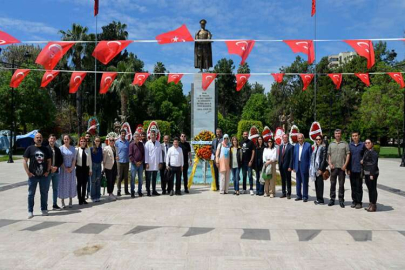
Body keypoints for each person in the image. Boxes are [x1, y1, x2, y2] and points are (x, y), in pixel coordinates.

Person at [23, 132, 52, 219]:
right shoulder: (30, 148)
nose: (39, 139)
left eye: (40, 137)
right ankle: (30, 211)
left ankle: (44, 209)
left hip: (44, 176)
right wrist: (28, 172)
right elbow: (25, 160)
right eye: (37, 137)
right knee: (31, 194)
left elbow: (49, 161)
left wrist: (47, 171)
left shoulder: (46, 149)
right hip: (33, 176)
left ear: (42, 139)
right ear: (34, 139)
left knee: (44, 193)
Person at [328, 129, 350, 208]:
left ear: (341, 134)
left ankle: (341, 200)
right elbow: (329, 155)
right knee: (332, 184)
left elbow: (348, 154)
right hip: (333, 168)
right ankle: (332, 199)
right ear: (334, 134)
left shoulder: (345, 144)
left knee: (341, 185)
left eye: (339, 133)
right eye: (336, 133)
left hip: (341, 168)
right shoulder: (331, 144)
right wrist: (330, 164)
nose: (337, 135)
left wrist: (345, 165)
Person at [58, 134, 77, 208]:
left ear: (70, 140)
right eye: (65, 139)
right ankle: (62, 201)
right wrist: (65, 168)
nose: (66, 140)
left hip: (71, 170)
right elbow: (60, 159)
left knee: (70, 184)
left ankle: (70, 201)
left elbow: (74, 159)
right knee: (63, 185)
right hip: (63, 170)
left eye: (67, 139)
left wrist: (71, 168)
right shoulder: (60, 148)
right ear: (63, 140)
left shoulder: (73, 149)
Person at [348, 131, 365, 209]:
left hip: (359, 169)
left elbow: (366, 154)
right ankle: (354, 201)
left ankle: (359, 202)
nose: (355, 137)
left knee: (359, 186)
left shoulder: (362, 145)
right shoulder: (350, 145)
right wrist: (348, 169)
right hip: (352, 169)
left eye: (356, 135)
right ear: (351, 137)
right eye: (353, 136)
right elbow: (348, 158)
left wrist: (363, 160)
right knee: (353, 186)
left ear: (359, 136)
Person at [292, 134, 312, 202]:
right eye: (299, 138)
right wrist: (294, 166)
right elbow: (294, 157)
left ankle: (305, 196)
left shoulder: (308, 145)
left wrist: (309, 167)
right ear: (297, 139)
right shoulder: (296, 146)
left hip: (304, 166)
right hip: (297, 165)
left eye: (301, 138)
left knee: (305, 182)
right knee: (298, 182)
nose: (300, 139)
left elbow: (310, 157)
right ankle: (298, 195)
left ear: (303, 138)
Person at [309, 135, 328, 205]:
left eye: (319, 139)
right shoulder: (316, 148)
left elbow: (323, 159)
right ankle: (318, 198)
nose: (318, 141)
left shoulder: (323, 148)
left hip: (319, 169)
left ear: (322, 140)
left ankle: (321, 199)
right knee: (316, 184)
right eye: (316, 139)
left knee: (320, 184)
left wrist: (321, 169)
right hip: (315, 169)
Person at [46, 134, 63, 210]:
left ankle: (55, 204)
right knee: (46, 189)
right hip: (48, 172)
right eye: (51, 139)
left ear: (55, 140)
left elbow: (60, 160)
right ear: (48, 140)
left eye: (53, 139)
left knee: (55, 189)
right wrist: (50, 168)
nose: (52, 140)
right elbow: (44, 161)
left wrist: (56, 167)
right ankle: (44, 205)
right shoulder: (45, 149)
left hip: (56, 172)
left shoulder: (57, 149)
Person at [362, 139, 379, 212]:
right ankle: (371, 203)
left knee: (373, 189)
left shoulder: (374, 152)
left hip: (372, 173)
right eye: (366, 143)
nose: (367, 144)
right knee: (370, 189)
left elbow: (374, 164)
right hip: (366, 172)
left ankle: (373, 205)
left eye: (369, 143)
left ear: (372, 144)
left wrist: (372, 174)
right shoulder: (366, 151)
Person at [144, 130, 162, 196]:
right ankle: (148, 191)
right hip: (149, 163)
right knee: (148, 178)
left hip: (156, 163)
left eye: (154, 135)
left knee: (154, 178)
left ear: (156, 135)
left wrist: (160, 162)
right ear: (150, 135)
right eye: (152, 135)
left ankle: (154, 190)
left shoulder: (158, 143)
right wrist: (147, 163)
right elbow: (146, 154)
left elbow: (160, 154)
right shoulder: (147, 143)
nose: (153, 136)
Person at [75, 137, 92, 205]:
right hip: (79, 168)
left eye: (84, 141)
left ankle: (83, 198)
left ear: (86, 142)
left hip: (86, 168)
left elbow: (90, 160)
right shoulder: (77, 149)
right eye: (81, 141)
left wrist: (90, 169)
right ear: (79, 142)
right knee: (79, 184)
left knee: (85, 184)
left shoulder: (88, 149)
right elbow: (74, 159)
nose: (83, 142)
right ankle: (80, 199)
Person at [129, 132, 145, 197]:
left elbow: (144, 154)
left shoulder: (141, 144)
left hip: (140, 164)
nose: (137, 137)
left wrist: (141, 162)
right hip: (134, 164)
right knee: (132, 178)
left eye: (138, 136)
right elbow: (130, 155)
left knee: (140, 178)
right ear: (134, 137)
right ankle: (132, 192)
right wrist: (135, 162)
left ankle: (139, 191)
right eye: (136, 136)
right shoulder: (131, 145)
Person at [278, 134, 294, 199]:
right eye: (283, 138)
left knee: (288, 180)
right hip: (281, 166)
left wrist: (290, 166)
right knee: (283, 180)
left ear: (288, 138)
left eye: (286, 138)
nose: (285, 139)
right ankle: (283, 193)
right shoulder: (281, 146)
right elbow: (280, 157)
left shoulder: (291, 147)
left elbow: (291, 158)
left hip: (287, 167)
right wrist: (279, 165)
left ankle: (289, 193)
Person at [115, 129, 130, 196]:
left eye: (124, 133)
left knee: (126, 177)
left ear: (125, 134)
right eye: (122, 133)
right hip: (119, 162)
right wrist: (116, 156)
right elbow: (115, 151)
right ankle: (119, 190)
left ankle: (126, 190)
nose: (123, 134)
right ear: (120, 134)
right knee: (119, 176)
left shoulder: (127, 142)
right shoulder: (117, 142)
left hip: (126, 161)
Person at [103, 135, 118, 201]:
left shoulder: (115, 148)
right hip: (108, 167)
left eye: (113, 140)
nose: (112, 141)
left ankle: (111, 192)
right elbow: (104, 159)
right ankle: (109, 194)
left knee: (113, 180)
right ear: (108, 141)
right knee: (109, 180)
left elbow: (116, 156)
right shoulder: (106, 148)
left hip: (115, 166)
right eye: (110, 140)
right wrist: (103, 168)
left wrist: (117, 158)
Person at [90, 136, 103, 202]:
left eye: (98, 141)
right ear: (94, 141)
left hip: (99, 165)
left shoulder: (101, 149)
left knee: (98, 181)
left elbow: (101, 158)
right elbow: (90, 159)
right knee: (93, 182)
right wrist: (90, 169)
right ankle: (93, 196)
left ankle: (98, 196)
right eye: (96, 141)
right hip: (93, 165)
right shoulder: (91, 149)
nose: (97, 142)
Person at [85, 131, 93, 199]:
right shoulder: (82, 144)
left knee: (89, 180)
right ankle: (84, 192)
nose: (88, 137)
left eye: (89, 136)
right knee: (84, 180)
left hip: (90, 164)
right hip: (83, 165)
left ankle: (89, 192)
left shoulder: (91, 145)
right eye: (87, 136)